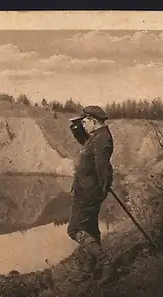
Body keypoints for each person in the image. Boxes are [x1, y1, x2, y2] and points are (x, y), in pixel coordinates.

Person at [67, 105, 115, 286]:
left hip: (88, 193)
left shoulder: (103, 139)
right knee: (90, 230)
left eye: (85, 121)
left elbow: (103, 168)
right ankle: (89, 270)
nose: (83, 124)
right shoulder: (96, 136)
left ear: (94, 121)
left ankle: (106, 261)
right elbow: (84, 142)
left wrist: (102, 189)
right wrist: (75, 126)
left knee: (74, 230)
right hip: (85, 190)